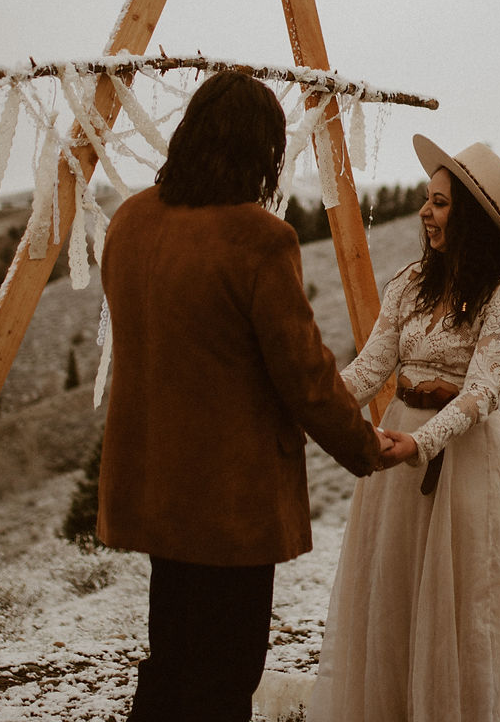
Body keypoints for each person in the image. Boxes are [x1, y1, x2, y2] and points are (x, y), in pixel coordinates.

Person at [96, 71, 390, 722]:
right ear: (264, 153)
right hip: (226, 504)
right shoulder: (257, 239)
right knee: (225, 679)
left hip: (153, 490)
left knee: (171, 662)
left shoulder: (132, 220)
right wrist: (369, 447)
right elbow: (305, 378)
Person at [308, 134, 500, 722]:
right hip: (397, 455)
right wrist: (308, 404)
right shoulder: (409, 283)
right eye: (428, 200)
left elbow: (482, 392)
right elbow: (369, 367)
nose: (424, 212)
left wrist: (420, 443)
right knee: (398, 592)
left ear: (472, 218)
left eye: (440, 202)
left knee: (465, 599)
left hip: (465, 461)